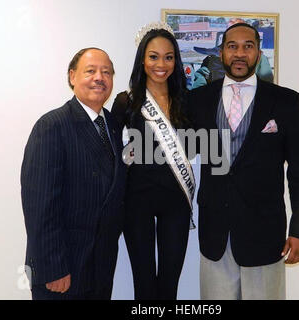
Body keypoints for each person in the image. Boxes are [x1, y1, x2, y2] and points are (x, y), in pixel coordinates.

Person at [186, 23, 299, 299]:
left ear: (258, 53)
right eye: (232, 46)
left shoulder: (285, 102)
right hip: (215, 235)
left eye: (248, 46)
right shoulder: (198, 100)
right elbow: (181, 149)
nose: (240, 53)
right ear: (222, 53)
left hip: (266, 235)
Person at [21, 47, 127, 300]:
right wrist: (53, 268)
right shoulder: (52, 126)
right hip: (62, 272)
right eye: (90, 71)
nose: (99, 77)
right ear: (72, 76)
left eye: (106, 72)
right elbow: (39, 206)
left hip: (100, 269)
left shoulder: (114, 126)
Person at [111, 22, 195, 300]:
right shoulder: (126, 101)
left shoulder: (186, 101)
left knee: (169, 285)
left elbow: (195, 148)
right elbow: (113, 154)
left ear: (176, 60)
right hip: (136, 202)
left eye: (169, 57)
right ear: (142, 59)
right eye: (153, 56)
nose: (161, 64)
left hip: (176, 204)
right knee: (144, 286)